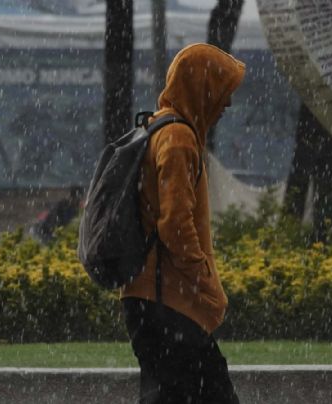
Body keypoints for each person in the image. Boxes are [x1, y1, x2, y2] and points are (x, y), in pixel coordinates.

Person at [121, 43, 245, 403]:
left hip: (154, 301)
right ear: (201, 88)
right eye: (222, 91)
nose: (227, 104)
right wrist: (202, 278)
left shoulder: (160, 128)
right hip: (168, 303)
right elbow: (175, 223)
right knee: (214, 395)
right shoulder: (177, 139)